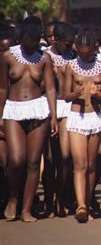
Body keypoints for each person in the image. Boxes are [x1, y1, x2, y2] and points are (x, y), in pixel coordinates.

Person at [0, 22, 58, 222]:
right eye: (27, 41)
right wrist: (0, 116)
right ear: (20, 38)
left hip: (38, 110)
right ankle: (13, 197)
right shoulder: (7, 56)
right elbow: (2, 88)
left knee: (34, 162)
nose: (30, 45)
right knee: (16, 159)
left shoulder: (44, 58)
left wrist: (53, 116)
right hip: (13, 109)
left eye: (34, 42)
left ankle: (26, 209)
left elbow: (50, 88)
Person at [64, 29, 101, 223]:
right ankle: (81, 205)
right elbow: (65, 96)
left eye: (88, 52)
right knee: (79, 164)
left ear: (95, 49)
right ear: (76, 49)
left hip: (96, 117)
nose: (84, 55)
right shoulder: (71, 66)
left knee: (91, 165)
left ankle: (88, 202)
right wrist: (77, 92)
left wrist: (96, 94)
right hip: (77, 117)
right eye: (81, 52)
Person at [44, 22, 76, 217]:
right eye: (67, 43)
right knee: (49, 158)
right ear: (55, 39)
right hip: (49, 106)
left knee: (65, 156)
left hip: (68, 106)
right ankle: (49, 201)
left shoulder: (74, 55)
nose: (70, 47)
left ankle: (61, 198)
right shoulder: (45, 56)